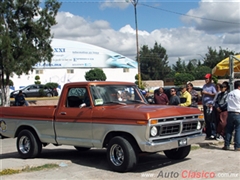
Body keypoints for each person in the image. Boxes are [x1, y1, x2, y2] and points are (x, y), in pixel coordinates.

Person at [222, 80, 240, 151]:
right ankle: (237, 146)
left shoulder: (229, 93)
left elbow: (226, 102)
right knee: (238, 130)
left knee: (229, 129)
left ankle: (227, 145)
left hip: (230, 113)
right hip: (238, 113)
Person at [201, 73, 217, 140]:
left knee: (211, 120)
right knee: (207, 120)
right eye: (205, 78)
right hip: (205, 104)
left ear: (210, 79)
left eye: (207, 78)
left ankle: (213, 133)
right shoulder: (204, 86)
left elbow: (215, 94)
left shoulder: (212, 86)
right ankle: (208, 133)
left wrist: (207, 93)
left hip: (210, 104)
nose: (206, 80)